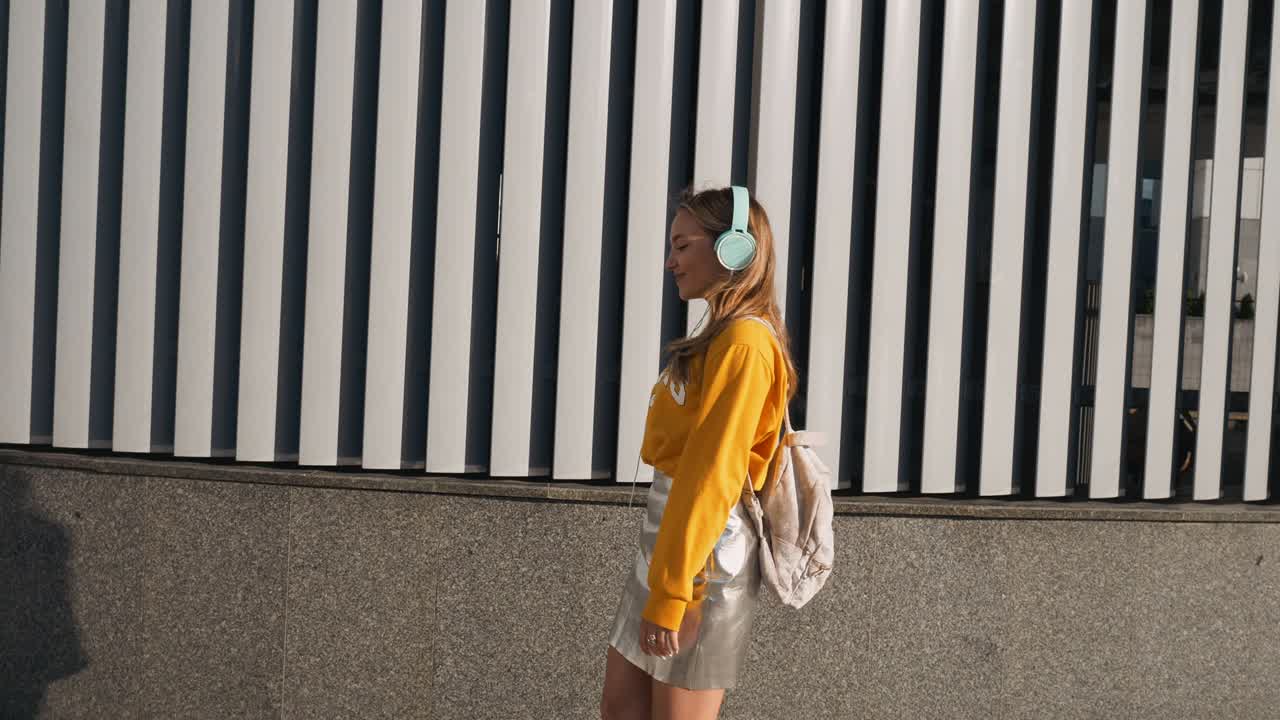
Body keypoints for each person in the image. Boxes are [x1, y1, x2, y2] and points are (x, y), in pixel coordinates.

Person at [600, 185, 799, 719]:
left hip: (702, 565)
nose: (671, 261)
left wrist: (672, 593)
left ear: (733, 249)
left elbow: (712, 476)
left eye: (682, 245)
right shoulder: (720, 334)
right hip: (668, 549)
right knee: (621, 710)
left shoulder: (746, 345)